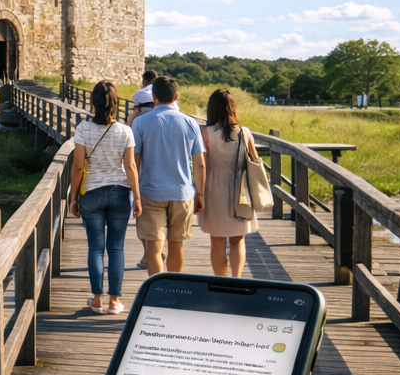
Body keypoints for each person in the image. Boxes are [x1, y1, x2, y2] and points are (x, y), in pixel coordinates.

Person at [67, 81, 141, 313]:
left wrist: (73, 197)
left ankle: (97, 299)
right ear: (115, 103)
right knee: (117, 248)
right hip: (120, 192)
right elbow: (129, 166)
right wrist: (137, 197)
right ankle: (115, 301)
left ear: (93, 102)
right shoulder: (125, 131)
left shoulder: (83, 129)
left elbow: (78, 165)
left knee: (96, 248)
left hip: (91, 193)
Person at [132, 76, 204, 274]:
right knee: (176, 245)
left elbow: (134, 162)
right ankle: (173, 288)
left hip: (149, 192)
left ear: (153, 96)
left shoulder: (140, 122)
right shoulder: (191, 123)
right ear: (177, 96)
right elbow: (200, 163)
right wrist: (200, 194)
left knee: (154, 249)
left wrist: (134, 195)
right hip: (182, 192)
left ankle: (157, 290)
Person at [200, 88, 260, 278]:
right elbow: (255, 161)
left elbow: (201, 165)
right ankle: (236, 279)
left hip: (213, 189)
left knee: (216, 242)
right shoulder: (245, 133)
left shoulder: (205, 133)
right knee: (237, 241)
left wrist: (198, 194)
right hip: (240, 190)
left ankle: (221, 280)